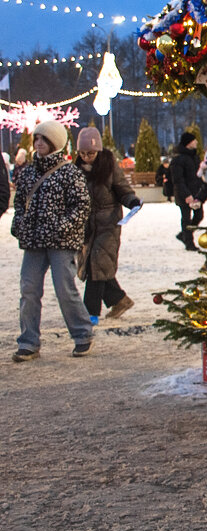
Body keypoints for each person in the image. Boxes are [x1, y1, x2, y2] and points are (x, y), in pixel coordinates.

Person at [11, 120, 93, 361]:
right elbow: (19, 203)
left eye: (44, 140)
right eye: (37, 139)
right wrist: (19, 225)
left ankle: (82, 334)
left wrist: (62, 227)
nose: (38, 143)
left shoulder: (69, 172)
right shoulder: (28, 172)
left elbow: (81, 206)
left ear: (55, 143)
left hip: (61, 242)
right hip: (34, 241)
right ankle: (28, 341)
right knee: (28, 289)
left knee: (65, 289)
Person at [73, 127, 141, 324]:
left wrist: (132, 202)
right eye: (83, 153)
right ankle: (119, 300)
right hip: (86, 228)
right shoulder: (75, 171)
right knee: (97, 266)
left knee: (96, 267)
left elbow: (123, 190)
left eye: (91, 153)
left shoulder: (109, 167)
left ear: (99, 151)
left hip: (108, 224)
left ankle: (90, 314)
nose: (86, 157)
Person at [169, 132, 206, 250]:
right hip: (184, 194)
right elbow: (178, 180)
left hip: (196, 192)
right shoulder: (178, 159)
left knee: (199, 215)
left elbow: (197, 176)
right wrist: (186, 194)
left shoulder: (195, 157)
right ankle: (189, 243)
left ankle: (184, 235)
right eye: (194, 140)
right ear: (188, 143)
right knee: (186, 218)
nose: (196, 142)